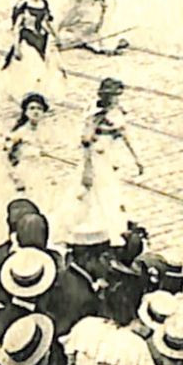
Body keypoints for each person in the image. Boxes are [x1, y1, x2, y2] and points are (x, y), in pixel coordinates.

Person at [65, 78, 143, 246]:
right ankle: (101, 228)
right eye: (115, 95)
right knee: (97, 193)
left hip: (110, 156)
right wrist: (87, 168)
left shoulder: (119, 112)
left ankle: (115, 226)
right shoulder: (96, 115)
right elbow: (86, 141)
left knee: (112, 192)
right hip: (97, 157)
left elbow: (125, 135)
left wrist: (137, 158)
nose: (117, 99)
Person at [3, 0, 65, 98]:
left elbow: (45, 22)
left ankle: (38, 93)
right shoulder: (24, 4)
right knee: (33, 67)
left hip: (41, 39)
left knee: (44, 67)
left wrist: (56, 36)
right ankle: (27, 93)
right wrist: (16, 47)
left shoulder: (43, 3)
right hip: (27, 38)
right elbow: (17, 27)